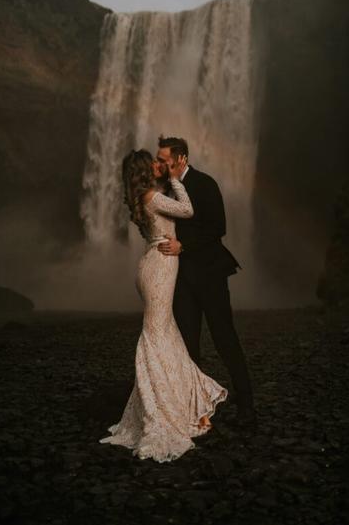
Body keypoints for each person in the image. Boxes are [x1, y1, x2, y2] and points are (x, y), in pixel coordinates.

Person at [99, 149, 228, 462]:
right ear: (146, 170)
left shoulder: (143, 198)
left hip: (151, 266)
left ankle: (188, 408)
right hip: (161, 267)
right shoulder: (153, 197)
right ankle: (162, 412)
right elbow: (187, 210)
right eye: (155, 163)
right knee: (157, 336)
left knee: (166, 334)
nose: (160, 165)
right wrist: (175, 179)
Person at [156, 136, 256, 429]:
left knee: (224, 338)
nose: (160, 163)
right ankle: (195, 411)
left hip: (210, 274)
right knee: (188, 344)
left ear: (181, 158)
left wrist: (183, 245)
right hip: (182, 278)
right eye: (158, 159)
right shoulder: (164, 189)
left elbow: (218, 228)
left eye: (164, 159)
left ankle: (247, 404)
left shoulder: (205, 184)